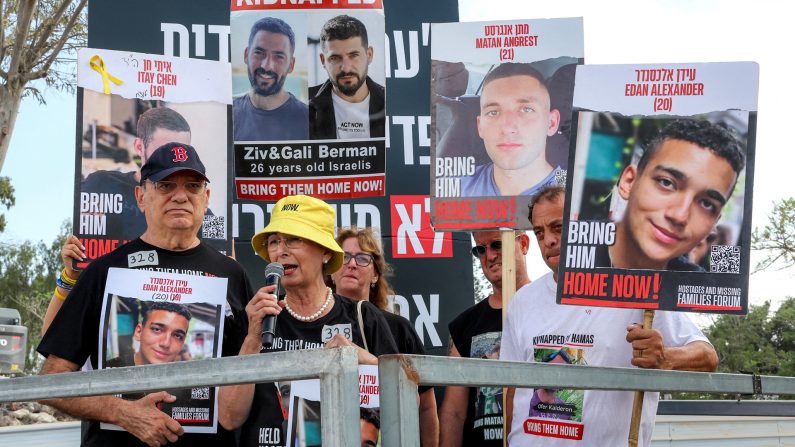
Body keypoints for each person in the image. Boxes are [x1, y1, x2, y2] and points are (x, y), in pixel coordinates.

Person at [37, 142, 253, 447]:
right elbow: (51, 379)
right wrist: (123, 412)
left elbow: (248, 384)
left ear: (206, 197)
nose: (181, 195)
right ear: (141, 197)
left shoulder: (232, 275)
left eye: (193, 185)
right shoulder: (104, 271)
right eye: (166, 185)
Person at [501, 185, 719, 446]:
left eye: (558, 227)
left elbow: (708, 356)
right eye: (539, 232)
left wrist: (665, 357)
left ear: (586, 227)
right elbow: (512, 388)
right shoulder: (522, 302)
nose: (548, 240)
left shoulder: (632, 288)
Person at [218, 194, 397, 447]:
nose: (281, 251)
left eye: (294, 239)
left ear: (325, 251)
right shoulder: (257, 319)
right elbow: (228, 418)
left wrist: (362, 360)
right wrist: (252, 340)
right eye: (274, 241)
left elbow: (405, 407)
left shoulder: (363, 317)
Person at [329, 227, 439, 446]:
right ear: (331, 271)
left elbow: (426, 406)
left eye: (362, 258)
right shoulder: (313, 323)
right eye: (344, 257)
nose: (351, 264)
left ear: (375, 275)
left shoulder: (399, 328)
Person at [599, 119, 745, 271]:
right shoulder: (575, 245)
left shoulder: (703, 287)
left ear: (714, 223)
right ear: (629, 181)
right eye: (666, 183)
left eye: (706, 204)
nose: (680, 216)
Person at [439, 230, 531, 447]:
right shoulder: (464, 325)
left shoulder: (552, 310)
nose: (489, 256)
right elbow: (454, 412)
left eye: (497, 244)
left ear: (524, 244)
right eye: (480, 249)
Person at [81, 107, 192, 241]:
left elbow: (219, 242)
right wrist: (71, 259)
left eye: (181, 152)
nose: (172, 159)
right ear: (139, 147)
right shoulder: (100, 184)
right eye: (162, 151)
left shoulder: (193, 200)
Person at [461, 63, 564, 197]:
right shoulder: (454, 187)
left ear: (551, 123)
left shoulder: (575, 195)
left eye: (526, 110)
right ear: (480, 127)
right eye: (493, 112)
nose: (507, 128)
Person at [309, 15, 385, 140]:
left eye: (353, 55)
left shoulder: (391, 104)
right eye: (335, 58)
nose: (346, 68)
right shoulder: (303, 108)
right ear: (323, 60)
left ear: (369, 55)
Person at [234, 17, 309, 141]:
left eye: (278, 56)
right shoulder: (229, 113)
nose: (267, 66)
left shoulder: (308, 119)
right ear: (246, 55)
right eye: (259, 52)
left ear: (291, 64)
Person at [105, 301, 192, 367]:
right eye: (157, 329)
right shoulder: (107, 371)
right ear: (139, 332)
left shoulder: (191, 383)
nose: (166, 343)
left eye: (177, 336)